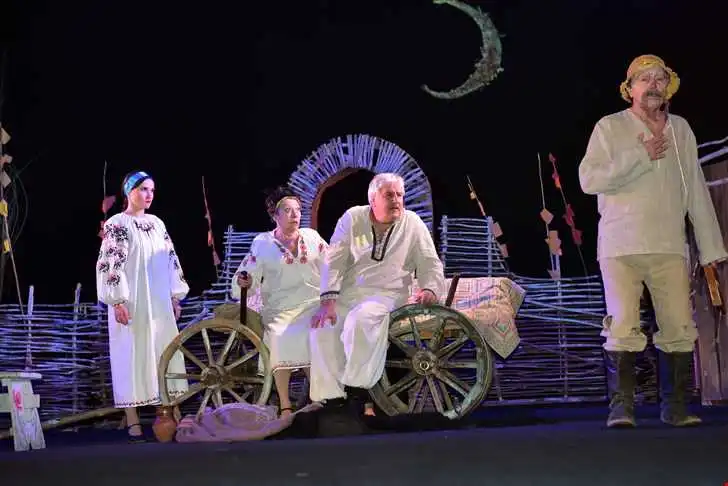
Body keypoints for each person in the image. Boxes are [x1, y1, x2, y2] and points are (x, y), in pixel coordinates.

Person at [578, 54, 728, 428]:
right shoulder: (610, 127)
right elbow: (588, 180)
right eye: (644, 79)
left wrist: (710, 248)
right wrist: (639, 154)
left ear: (667, 88)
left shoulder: (681, 130)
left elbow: (695, 190)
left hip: (669, 245)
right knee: (622, 325)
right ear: (630, 89)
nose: (653, 85)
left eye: (660, 78)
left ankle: (675, 407)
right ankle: (621, 408)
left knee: (679, 326)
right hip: (620, 246)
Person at [309, 172, 446, 435]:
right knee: (323, 326)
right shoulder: (352, 218)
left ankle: (356, 393)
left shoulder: (413, 223)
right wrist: (328, 300)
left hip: (388, 295)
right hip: (349, 294)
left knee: (361, 320)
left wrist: (430, 288)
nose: (396, 200)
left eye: (400, 195)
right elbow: (334, 260)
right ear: (372, 199)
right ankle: (332, 401)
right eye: (389, 195)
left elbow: (430, 262)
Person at [96, 171, 190, 442]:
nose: (149, 195)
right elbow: (110, 263)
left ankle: (173, 412)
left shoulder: (157, 223)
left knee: (164, 350)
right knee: (132, 353)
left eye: (152, 190)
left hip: (158, 300)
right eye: (143, 189)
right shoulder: (117, 223)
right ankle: (134, 420)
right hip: (132, 302)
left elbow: (170, 258)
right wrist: (117, 300)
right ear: (129, 191)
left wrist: (175, 296)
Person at [231, 186, 328, 418]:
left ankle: (319, 397)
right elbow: (247, 276)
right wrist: (245, 281)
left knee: (313, 333)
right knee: (279, 336)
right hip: (280, 309)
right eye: (287, 210)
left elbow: (332, 265)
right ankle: (285, 404)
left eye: (298, 210)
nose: (295, 215)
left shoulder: (312, 237)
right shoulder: (263, 243)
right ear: (275, 215)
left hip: (312, 303)